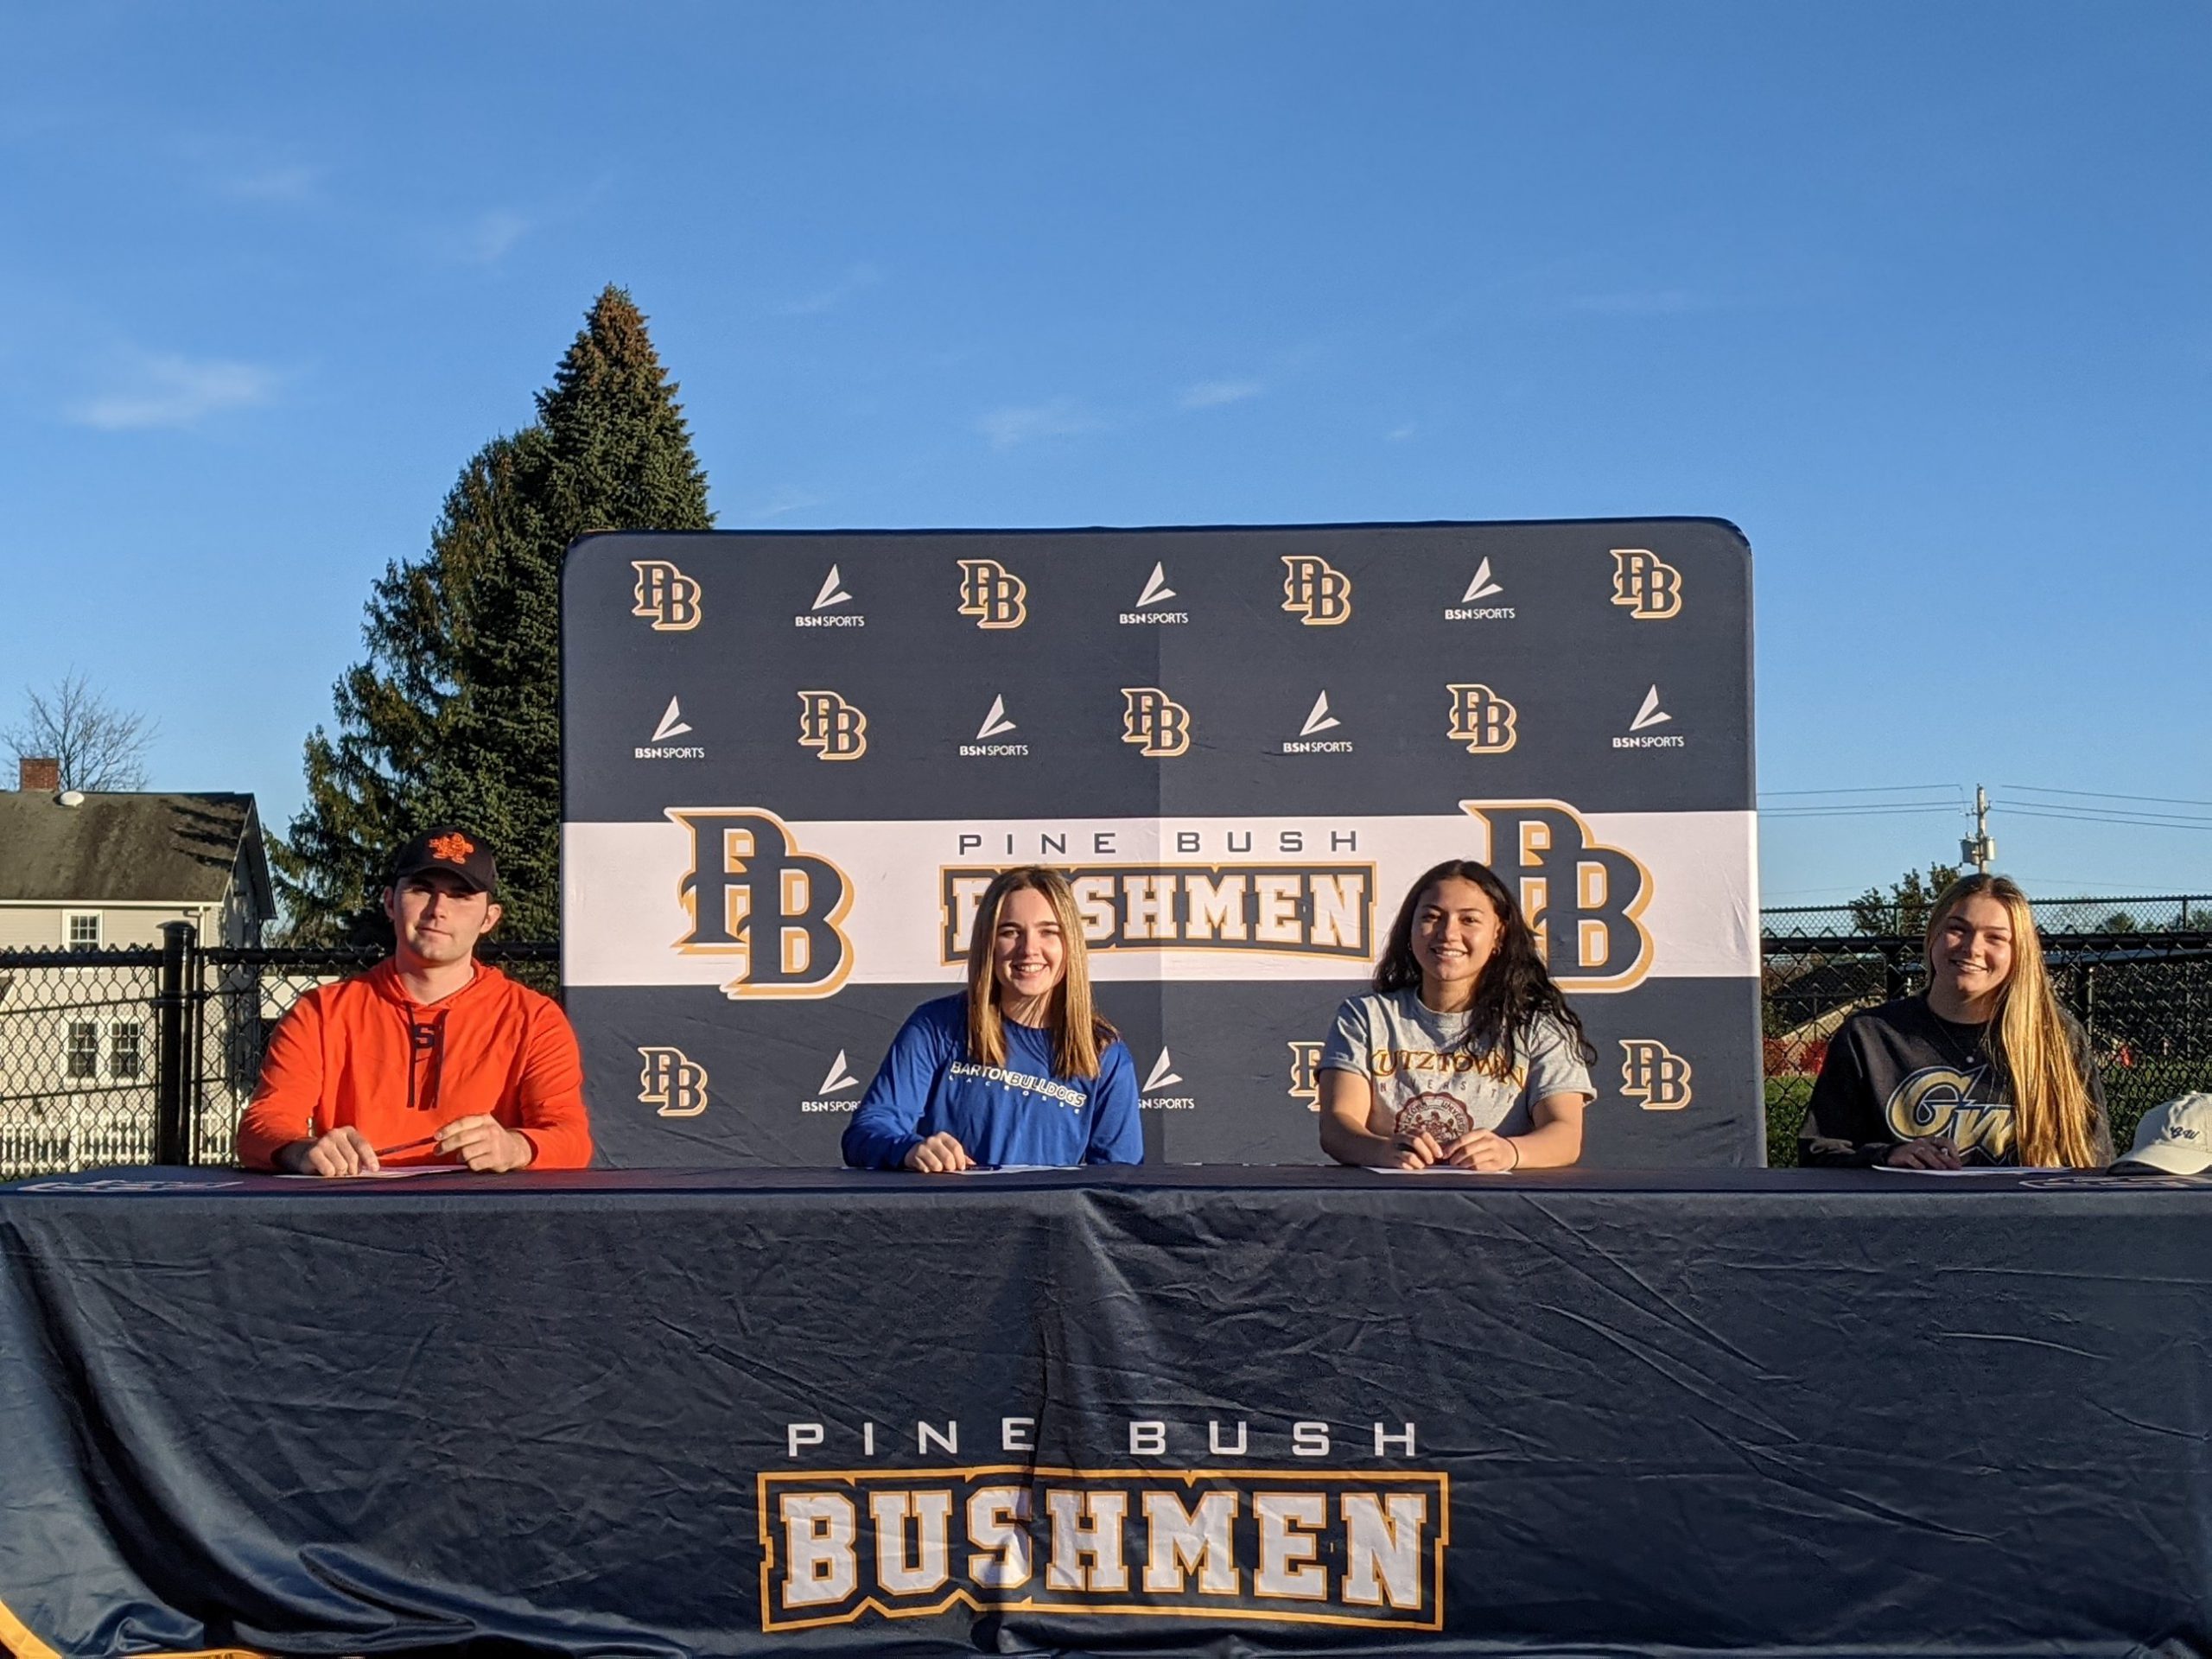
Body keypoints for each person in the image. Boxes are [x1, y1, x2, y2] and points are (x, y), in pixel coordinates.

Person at [235, 827, 593, 1176]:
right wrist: (300, 1151)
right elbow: (262, 1125)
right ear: (390, 902)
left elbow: (571, 1138)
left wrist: (517, 1147)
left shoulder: (534, 1018)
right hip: (354, 1212)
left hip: (485, 1216)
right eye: (422, 890)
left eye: (461, 896)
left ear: (489, 918)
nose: (438, 909)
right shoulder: (321, 1012)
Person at [1800, 873, 2109, 1169]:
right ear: (1933, 934)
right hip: (1904, 1220)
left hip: (2022, 1220)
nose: (1972, 948)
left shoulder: (2055, 1038)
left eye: (1996, 938)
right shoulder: (1870, 1036)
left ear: (2019, 953)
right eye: (1957, 929)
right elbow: (1820, 1153)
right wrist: (1887, 1155)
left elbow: (2093, 1158)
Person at [842, 866, 1142, 1171]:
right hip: (951, 1217)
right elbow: (867, 1132)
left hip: (1047, 1220)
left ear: (1070, 946)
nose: (1029, 950)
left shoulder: (1104, 1055)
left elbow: (1118, 1186)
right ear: (988, 943)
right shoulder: (936, 1027)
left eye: (1049, 932)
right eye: (1010, 932)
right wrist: (908, 1149)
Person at [1318, 859, 1596, 1171]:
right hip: (1389, 1205)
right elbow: (1338, 1127)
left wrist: (1510, 1152)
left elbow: (1565, 1134)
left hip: (1499, 1210)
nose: (1448, 933)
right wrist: (1380, 1151)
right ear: (1409, 930)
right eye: (1432, 917)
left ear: (1499, 935)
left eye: (1469, 920)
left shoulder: (1538, 1025)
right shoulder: (1366, 1017)